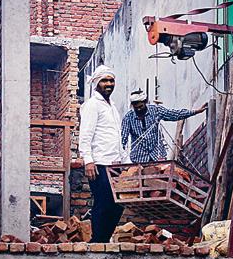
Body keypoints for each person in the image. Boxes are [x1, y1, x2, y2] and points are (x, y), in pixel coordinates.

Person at [78, 65, 126, 243]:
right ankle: (98, 241)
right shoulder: (92, 105)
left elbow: (116, 137)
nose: (109, 84)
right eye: (104, 80)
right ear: (97, 83)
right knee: (104, 202)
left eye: (111, 80)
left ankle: (103, 239)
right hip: (99, 163)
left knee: (118, 204)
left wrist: (124, 162)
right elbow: (85, 135)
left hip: (115, 164)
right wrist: (88, 161)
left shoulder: (112, 106)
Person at [121, 90, 207, 163]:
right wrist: (122, 156)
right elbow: (123, 138)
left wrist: (195, 112)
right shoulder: (128, 117)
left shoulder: (155, 110)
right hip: (138, 158)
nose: (139, 109)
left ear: (145, 102)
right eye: (136, 108)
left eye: (140, 106)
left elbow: (174, 114)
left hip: (157, 155)